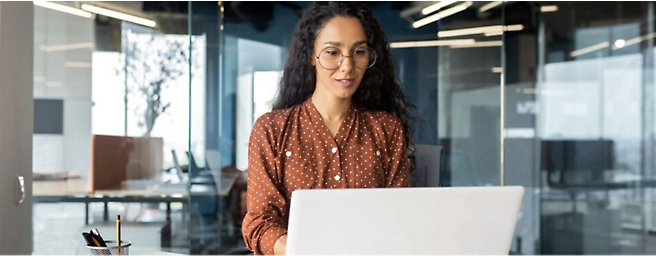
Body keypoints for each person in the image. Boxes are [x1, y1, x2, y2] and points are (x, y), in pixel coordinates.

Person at [241, 2, 418, 255]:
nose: (347, 66)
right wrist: (308, 249)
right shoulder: (271, 130)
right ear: (311, 55)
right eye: (333, 52)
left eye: (358, 52)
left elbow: (400, 220)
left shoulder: (387, 130)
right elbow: (259, 224)